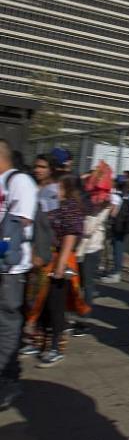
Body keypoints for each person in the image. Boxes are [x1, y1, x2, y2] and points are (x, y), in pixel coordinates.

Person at [30, 175, 89, 367]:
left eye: (59, 186)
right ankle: (40, 344)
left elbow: (70, 236)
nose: (54, 189)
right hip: (47, 258)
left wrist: (61, 264)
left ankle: (56, 347)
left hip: (60, 261)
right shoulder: (54, 206)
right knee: (42, 303)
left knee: (56, 306)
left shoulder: (70, 208)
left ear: (66, 189)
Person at [0, 140, 37, 410]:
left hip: (10, 269)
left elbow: (20, 222)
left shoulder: (19, 181)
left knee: (7, 322)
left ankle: (8, 379)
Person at [73, 161, 114, 337]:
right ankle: (77, 313)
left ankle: (84, 319)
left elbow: (89, 228)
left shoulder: (105, 204)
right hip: (79, 247)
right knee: (78, 283)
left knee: (87, 285)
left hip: (92, 248)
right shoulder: (85, 198)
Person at [102, 171, 129, 284]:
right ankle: (115, 270)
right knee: (117, 247)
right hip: (125, 224)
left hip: (119, 224)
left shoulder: (120, 194)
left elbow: (114, 211)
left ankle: (116, 273)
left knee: (117, 248)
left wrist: (109, 219)